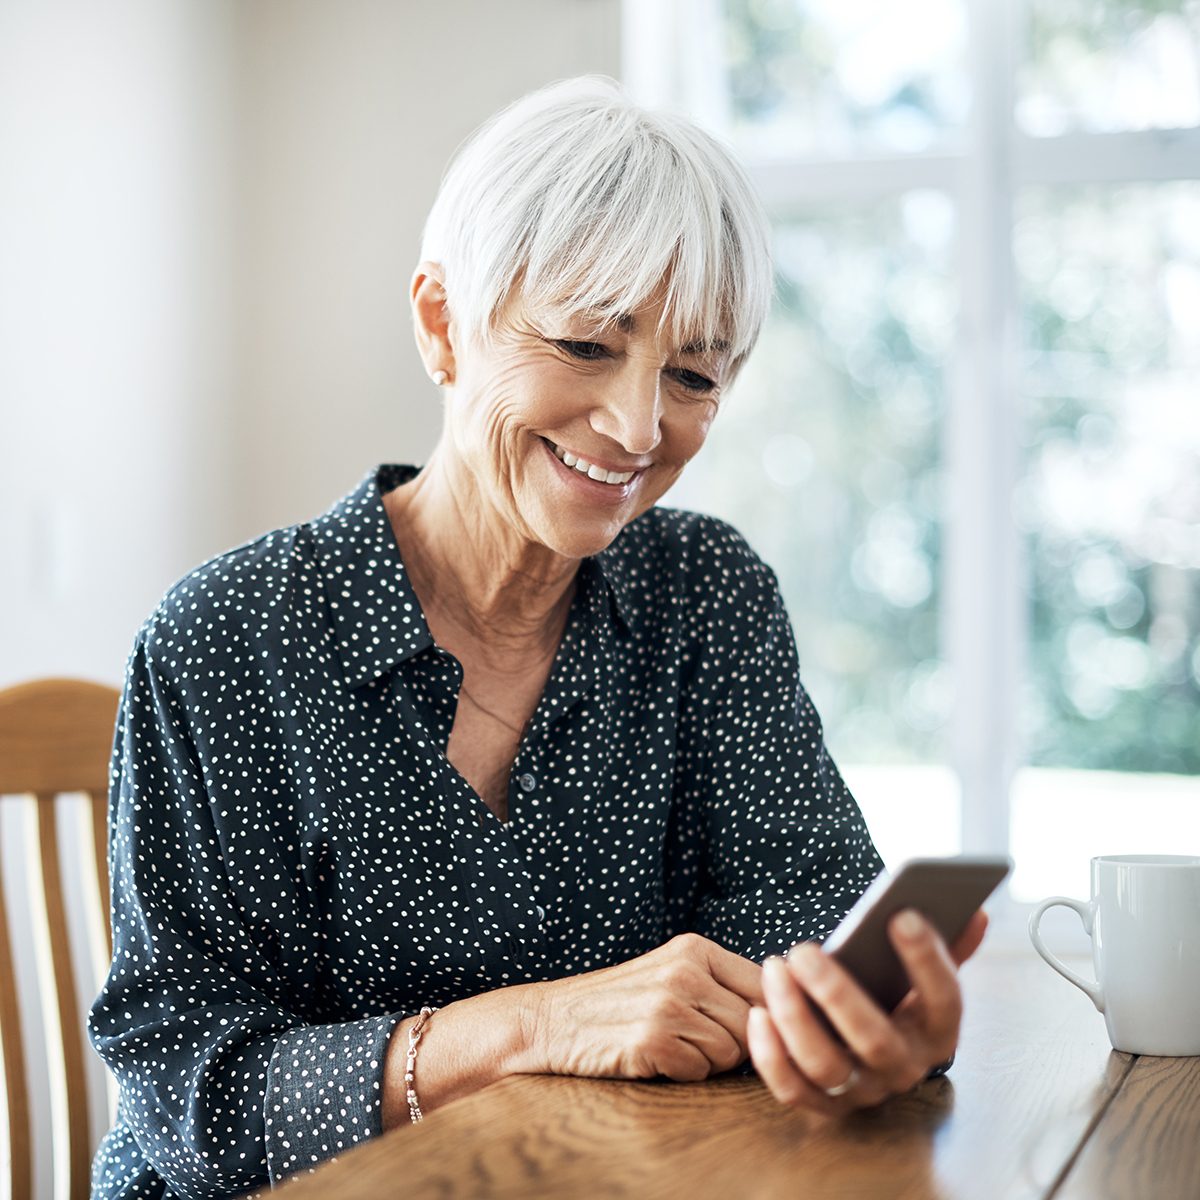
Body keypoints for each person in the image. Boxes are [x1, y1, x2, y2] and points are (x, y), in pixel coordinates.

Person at [88, 74, 988, 1199]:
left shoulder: (706, 596)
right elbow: (192, 1092)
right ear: (440, 323)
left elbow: (808, 921)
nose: (639, 426)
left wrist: (868, 1031)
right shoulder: (230, 636)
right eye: (584, 346)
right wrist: (534, 1026)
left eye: (695, 373)